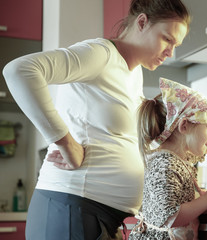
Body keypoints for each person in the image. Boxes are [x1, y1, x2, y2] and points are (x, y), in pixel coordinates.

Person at [2, 0, 191, 239]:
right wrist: (66, 143)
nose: (171, 52)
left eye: (176, 45)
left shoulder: (133, 73)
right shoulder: (99, 54)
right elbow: (19, 71)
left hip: (96, 215)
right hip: (71, 209)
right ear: (142, 22)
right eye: (167, 39)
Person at [129, 78, 207, 240]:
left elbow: (198, 152)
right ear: (184, 126)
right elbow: (169, 217)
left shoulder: (175, 159)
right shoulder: (166, 164)